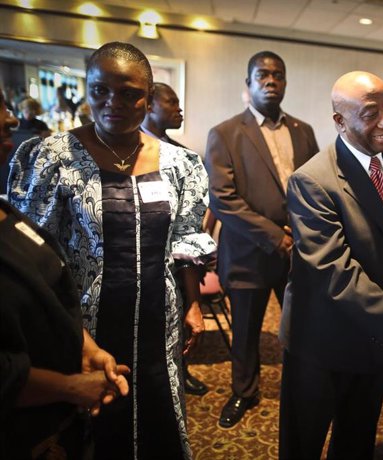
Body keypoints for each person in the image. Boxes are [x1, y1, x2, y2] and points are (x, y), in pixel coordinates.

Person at [10, 41, 215, 460]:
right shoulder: (53, 157)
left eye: (128, 93)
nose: (112, 103)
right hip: (82, 326)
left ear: (148, 95)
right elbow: (36, 258)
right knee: (93, 424)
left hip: (161, 319)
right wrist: (70, 332)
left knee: (159, 413)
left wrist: (194, 303)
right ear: (87, 89)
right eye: (100, 90)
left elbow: (184, 240)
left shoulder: (180, 164)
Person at [278, 71, 383, 460]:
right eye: (371, 114)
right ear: (340, 121)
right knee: (302, 444)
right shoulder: (312, 180)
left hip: (377, 338)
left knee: (357, 439)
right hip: (322, 342)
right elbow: (334, 272)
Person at [205, 50, 319, 428]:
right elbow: (223, 201)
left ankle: (303, 390)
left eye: (278, 75)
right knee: (246, 332)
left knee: (301, 327)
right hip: (248, 252)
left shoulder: (304, 132)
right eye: (262, 75)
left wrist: (302, 234)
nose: (271, 81)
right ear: (248, 83)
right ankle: (244, 391)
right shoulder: (224, 133)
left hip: (298, 252)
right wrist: (275, 236)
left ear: (285, 83)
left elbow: (318, 189)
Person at [0, 198, 130, 459]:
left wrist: (85, 348)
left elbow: (47, 295)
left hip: (59, 427)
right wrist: (70, 387)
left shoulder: (6, 212)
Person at [142, 81, 209, 396]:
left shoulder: (183, 156)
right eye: (172, 102)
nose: (179, 109)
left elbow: (190, 227)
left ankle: (181, 372)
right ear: (149, 104)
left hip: (176, 265)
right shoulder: (123, 153)